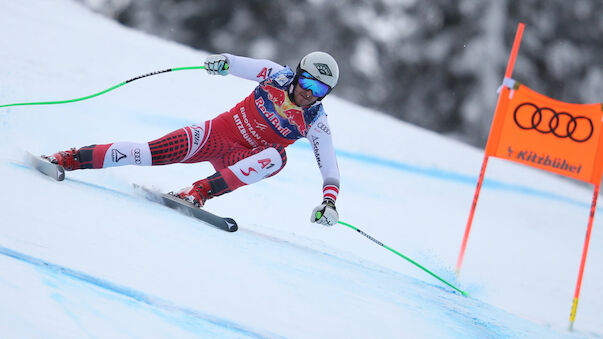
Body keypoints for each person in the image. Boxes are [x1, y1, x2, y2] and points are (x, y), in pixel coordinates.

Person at [45, 51, 341, 226]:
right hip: (212, 137)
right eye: (306, 82)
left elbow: (329, 167)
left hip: (239, 160)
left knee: (278, 158)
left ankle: (198, 192)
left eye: (319, 90)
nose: (308, 93)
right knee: (147, 153)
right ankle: (70, 158)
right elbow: (238, 64)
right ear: (298, 74)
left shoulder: (316, 121)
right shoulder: (275, 75)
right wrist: (222, 62)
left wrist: (329, 203)